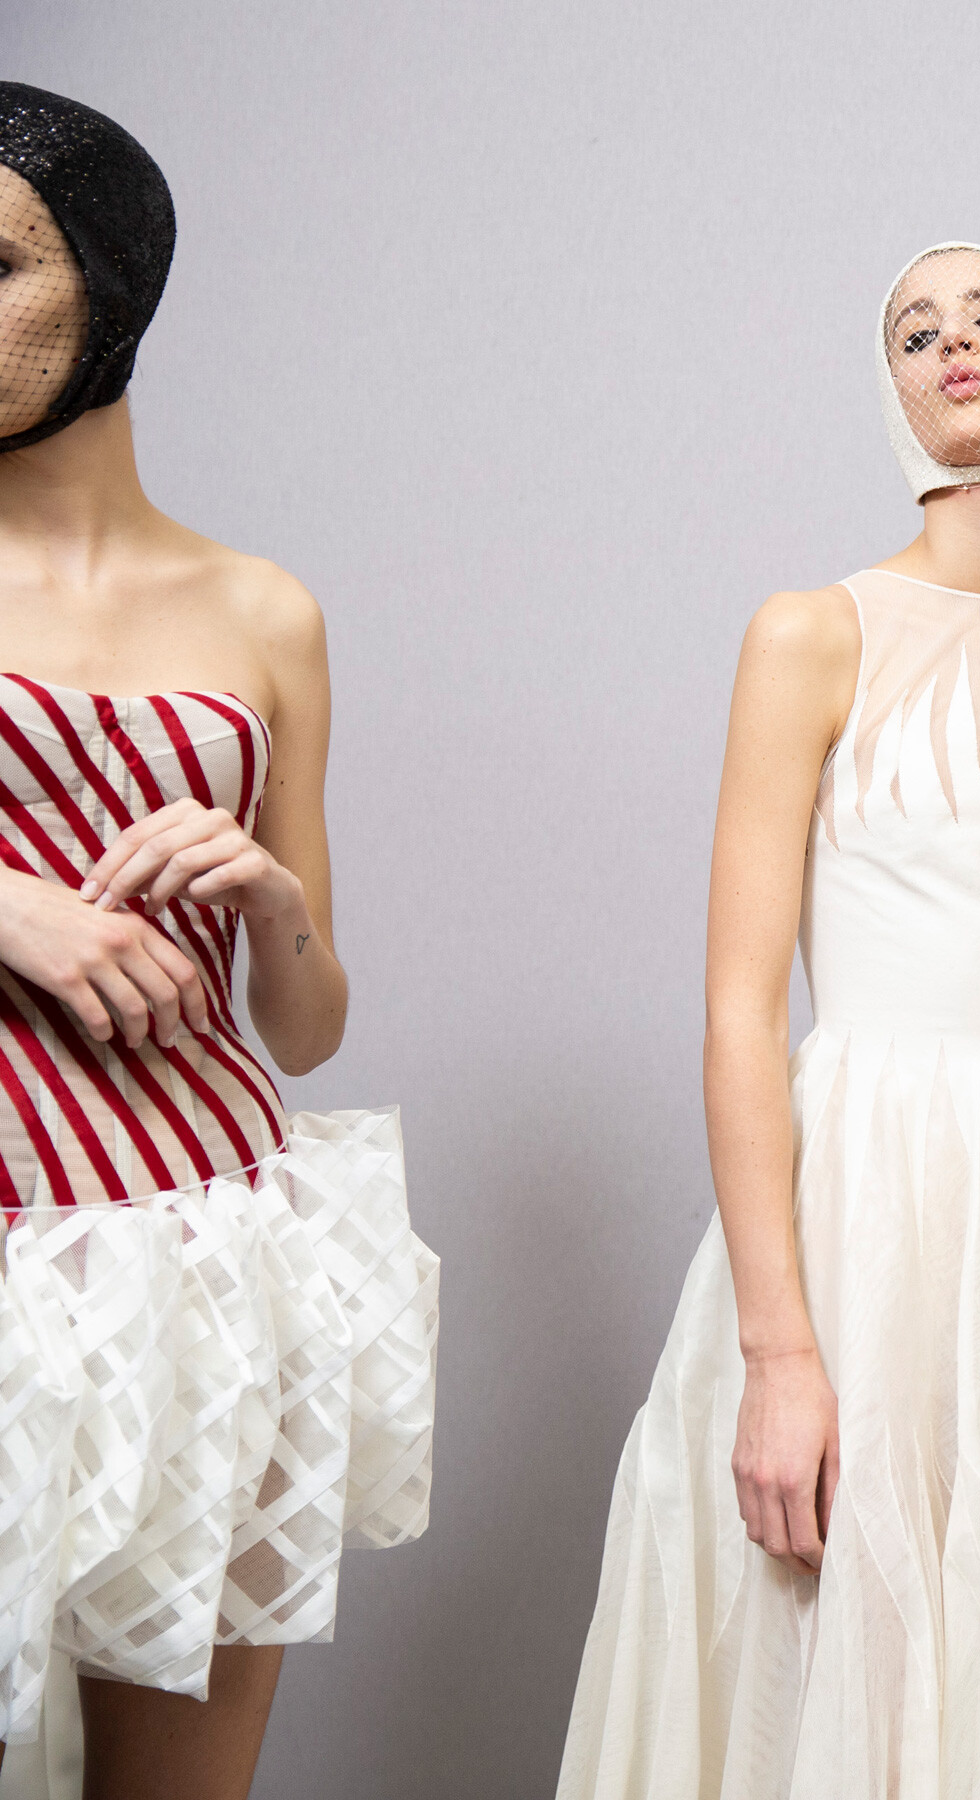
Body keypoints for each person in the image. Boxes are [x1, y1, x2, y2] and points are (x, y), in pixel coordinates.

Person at [555, 242, 980, 1799]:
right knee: (838, 1654)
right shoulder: (812, 634)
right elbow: (737, 1012)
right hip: (856, 1215)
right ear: (890, 388)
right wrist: (779, 1354)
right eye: (916, 332)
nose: (951, 343)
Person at [0, 81, 434, 1800]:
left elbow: (307, 1028)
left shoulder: (263, 608)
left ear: (111, 283)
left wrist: (274, 900)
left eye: (0, 266)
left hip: (211, 1248)